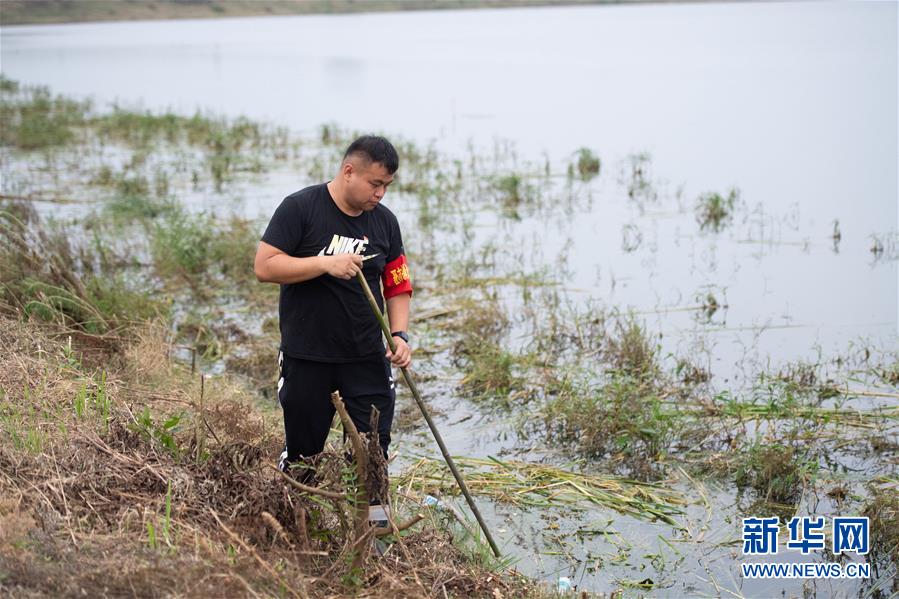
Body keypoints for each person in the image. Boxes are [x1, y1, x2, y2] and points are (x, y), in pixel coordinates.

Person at [254, 136, 412, 507]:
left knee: (373, 451)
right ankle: (294, 518)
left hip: (366, 357)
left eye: (387, 186)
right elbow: (265, 266)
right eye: (375, 184)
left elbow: (397, 283)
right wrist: (324, 264)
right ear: (348, 171)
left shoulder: (385, 222)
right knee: (303, 454)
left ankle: (372, 530)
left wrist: (400, 335)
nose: (380, 194)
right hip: (307, 356)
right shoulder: (300, 208)